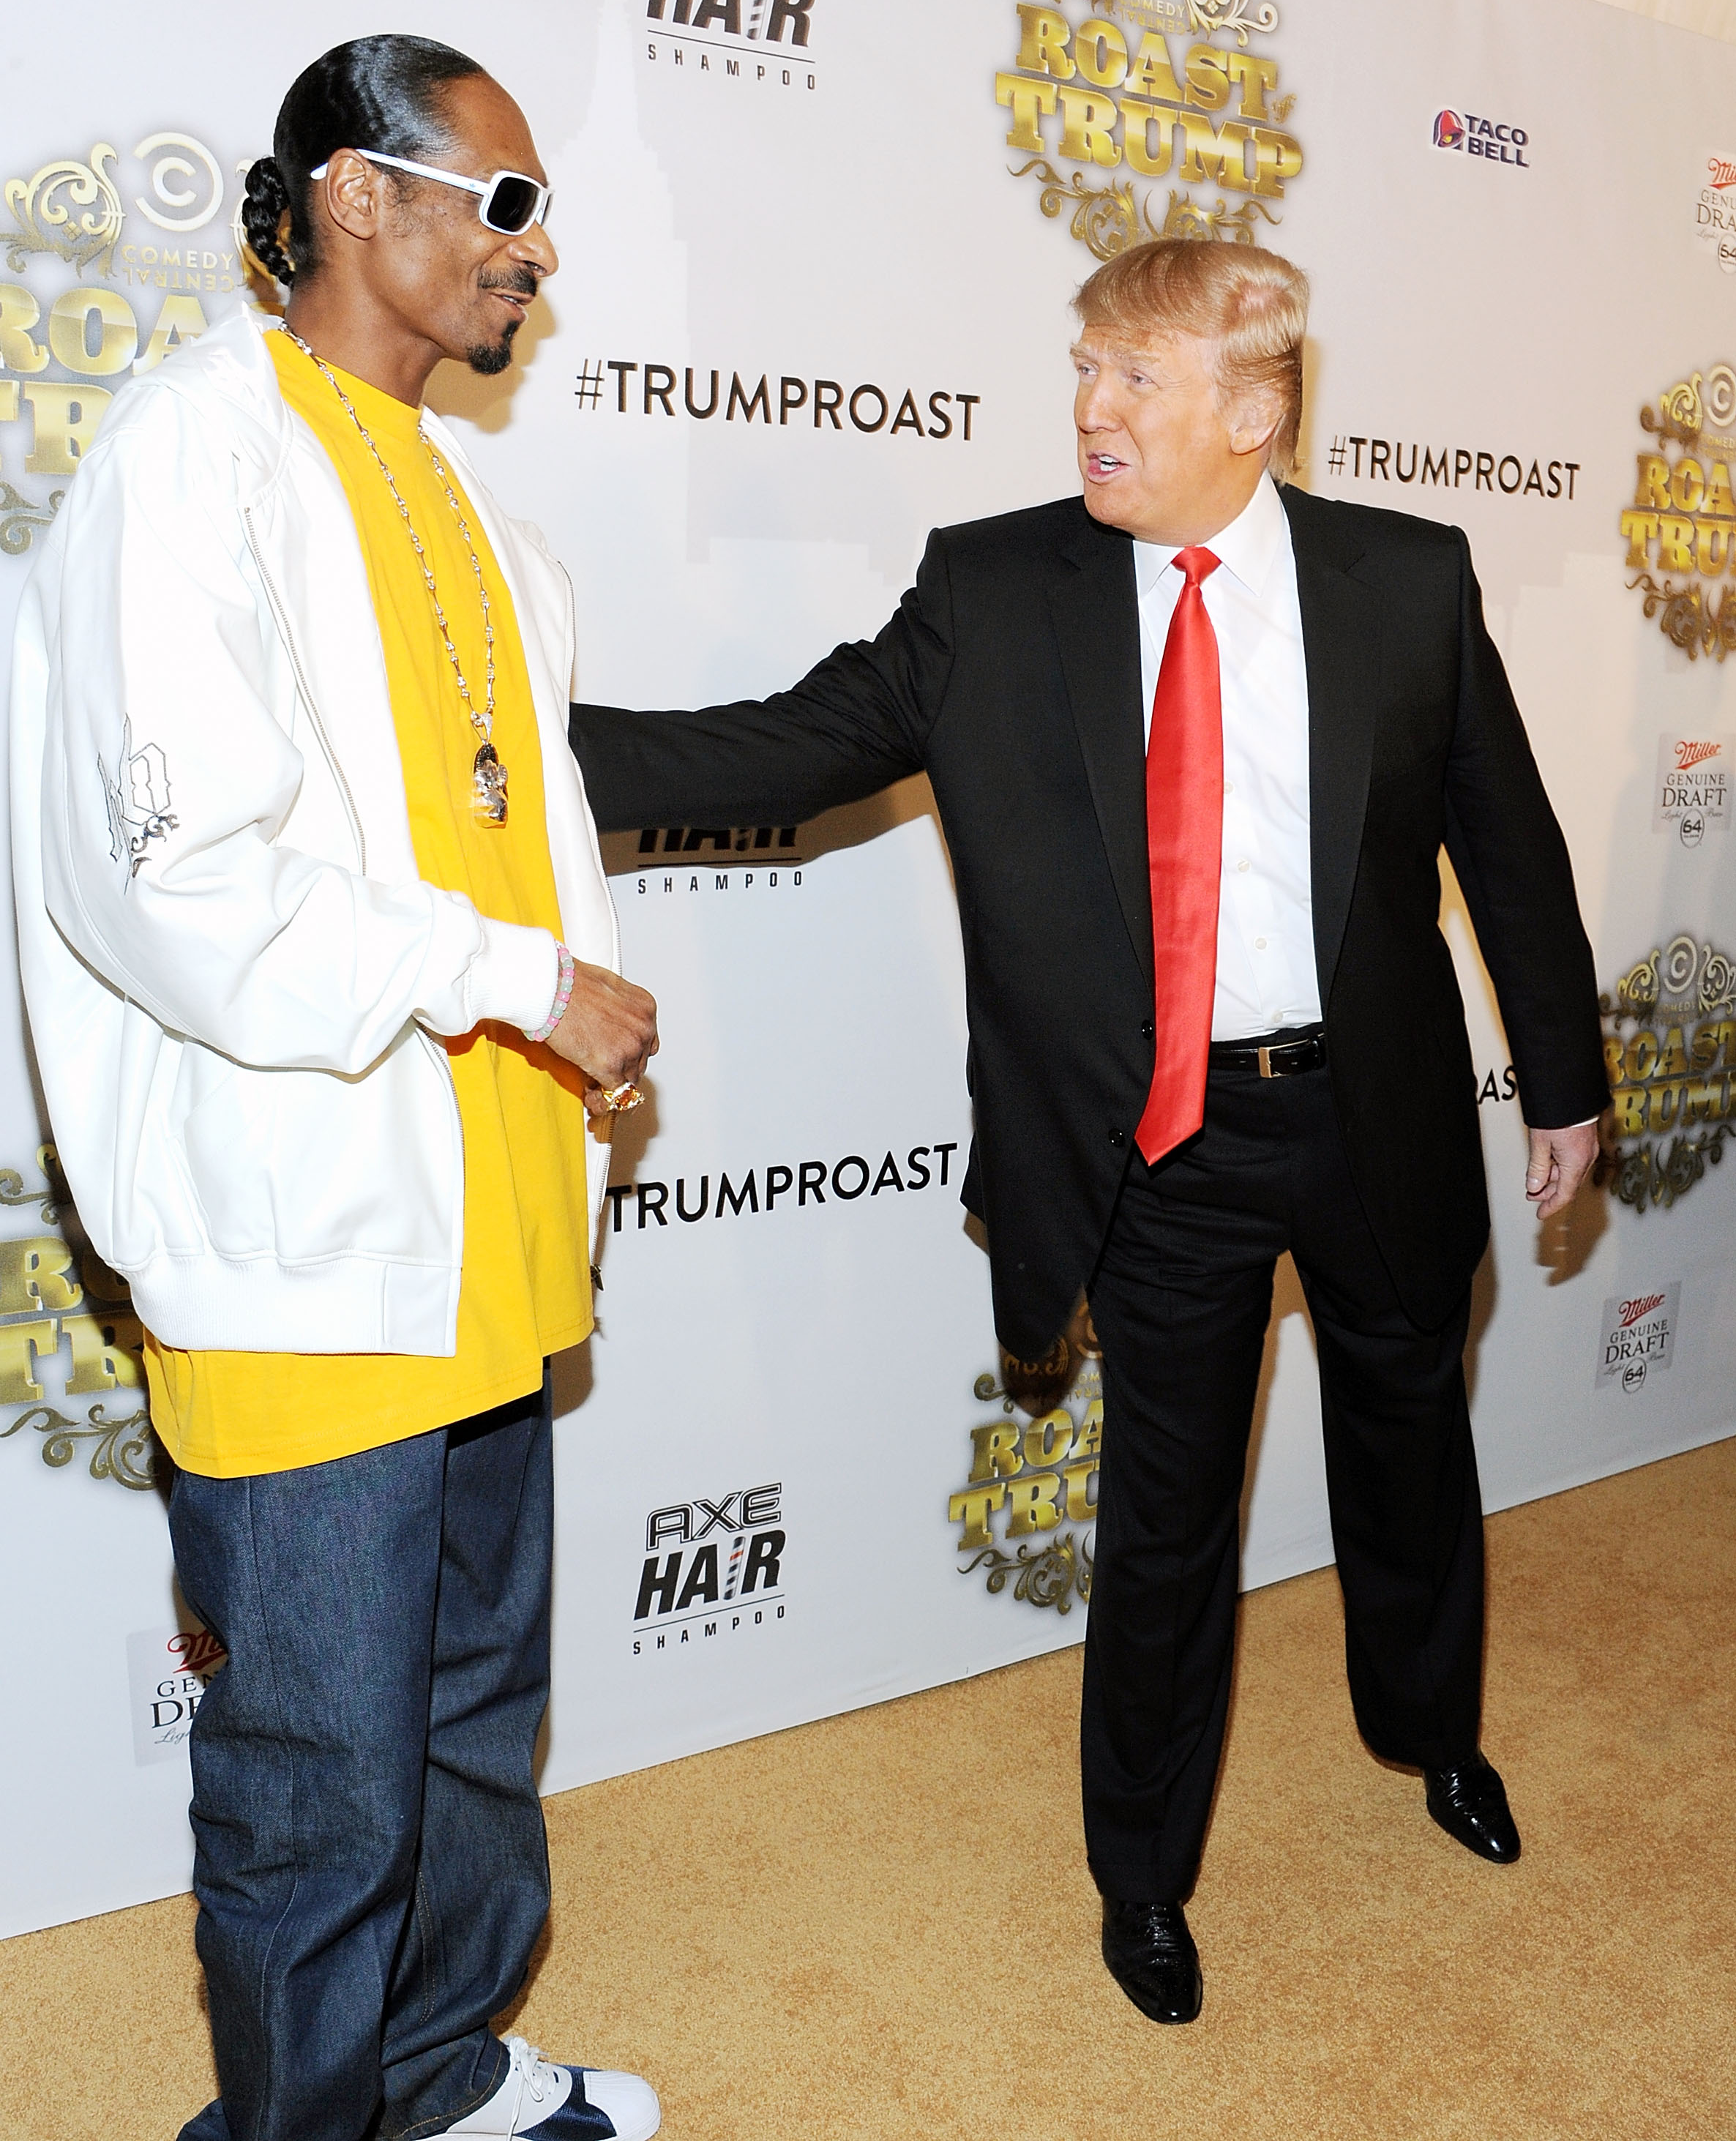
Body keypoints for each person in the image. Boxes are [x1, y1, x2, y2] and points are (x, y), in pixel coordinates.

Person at [568, 239, 1609, 2025]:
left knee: (1410, 1451)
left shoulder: (1403, 578)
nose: (1090, 411)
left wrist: (1570, 1079)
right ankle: (1143, 1878)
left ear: (1254, 410)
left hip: (1376, 1117)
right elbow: (784, 747)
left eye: (1136, 380)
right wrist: (478, 750)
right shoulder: (995, 586)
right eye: (1087, 369)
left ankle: (1430, 1734)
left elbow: (1504, 839)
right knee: (1164, 1528)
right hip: (1160, 1149)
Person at [11, 36, 662, 2141]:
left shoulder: (472, 499)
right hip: (302, 1255)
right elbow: (179, 883)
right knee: (317, 1781)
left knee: (473, 1726)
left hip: (481, 1235)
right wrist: (518, 981)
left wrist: (546, 1027)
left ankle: (442, 2070)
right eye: (503, 201)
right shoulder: (188, 456)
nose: (533, 249)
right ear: (358, 199)